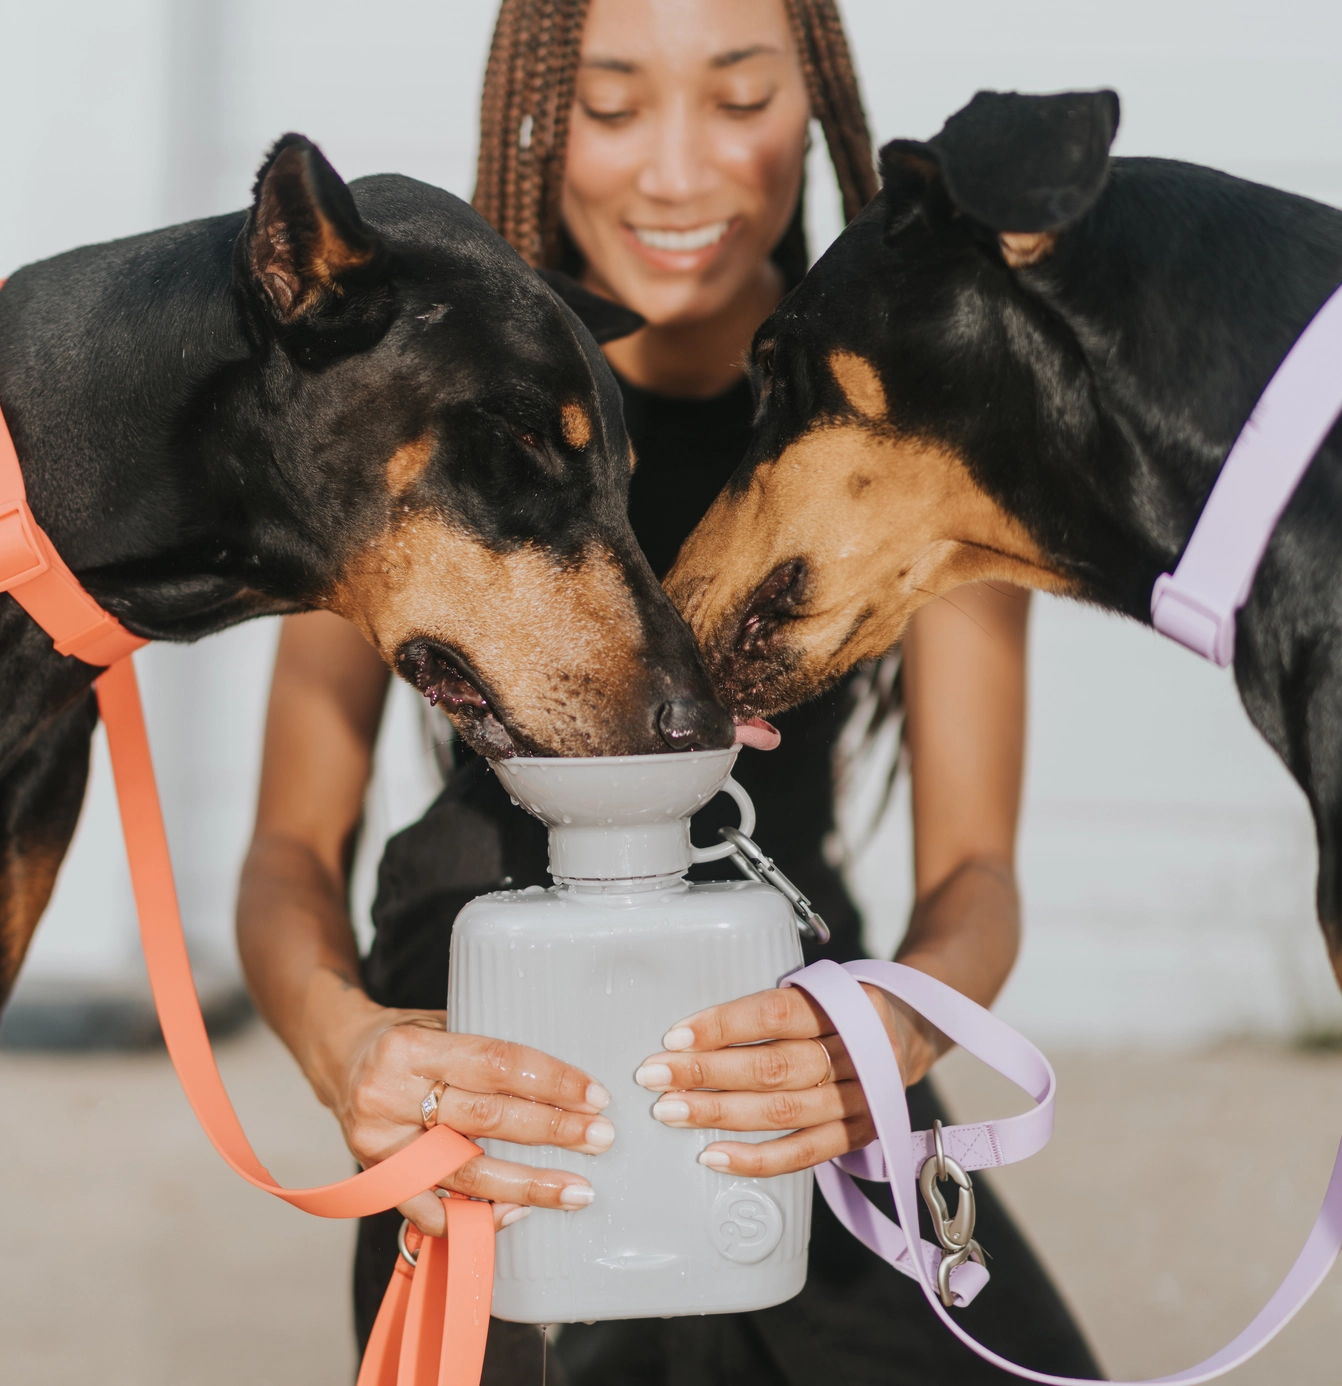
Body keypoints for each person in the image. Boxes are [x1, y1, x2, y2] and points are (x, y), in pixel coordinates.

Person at [237, 2, 1103, 1381]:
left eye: (740, 95)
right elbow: (287, 851)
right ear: (537, 118)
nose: (678, 172)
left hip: (795, 1067)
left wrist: (889, 1027)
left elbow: (976, 875)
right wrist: (347, 1047)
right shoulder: (410, 396)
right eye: (617, 105)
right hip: (504, 1108)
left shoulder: (922, 411)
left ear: (814, 103)